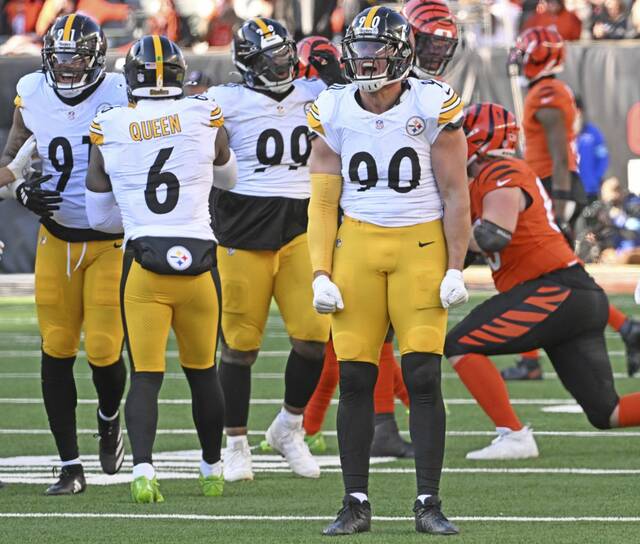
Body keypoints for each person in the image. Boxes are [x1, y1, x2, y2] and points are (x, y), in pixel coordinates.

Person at [307, 6, 469, 535]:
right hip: (356, 246)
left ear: (401, 52)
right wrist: (319, 270)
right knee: (355, 375)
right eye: (360, 50)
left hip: (420, 245)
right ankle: (354, 502)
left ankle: (429, 502)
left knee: (423, 375)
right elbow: (322, 201)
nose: (366, 60)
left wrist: (456, 266)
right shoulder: (332, 107)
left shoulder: (430, 102)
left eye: (377, 49)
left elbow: (454, 194)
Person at [85, 34, 235, 503]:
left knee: (146, 375)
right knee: (204, 372)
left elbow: (96, 216)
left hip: (144, 262)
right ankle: (212, 468)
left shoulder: (108, 124)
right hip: (200, 261)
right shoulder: (203, 112)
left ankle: (143, 471)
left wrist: (134, 216)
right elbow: (228, 178)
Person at [447, 102, 640, 461]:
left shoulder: (499, 170)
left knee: (460, 343)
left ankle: (514, 434)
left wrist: (453, 234)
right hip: (575, 294)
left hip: (554, 291)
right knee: (606, 413)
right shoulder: (495, 174)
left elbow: (492, 235)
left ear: (476, 138)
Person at [0, 13, 129, 495]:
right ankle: (70, 466)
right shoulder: (31, 92)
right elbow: (10, 167)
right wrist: (22, 194)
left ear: (96, 59)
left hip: (108, 241)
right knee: (56, 348)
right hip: (55, 238)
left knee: (102, 349)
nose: (68, 66)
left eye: (77, 57)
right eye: (60, 57)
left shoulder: (120, 92)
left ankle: (110, 415)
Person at [206, 17, 331, 483]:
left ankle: (289, 426)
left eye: (284, 55)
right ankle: (236, 441)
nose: (280, 66)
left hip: (300, 225)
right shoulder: (224, 100)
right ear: (247, 64)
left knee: (314, 337)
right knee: (240, 346)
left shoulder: (316, 92)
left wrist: (335, 76)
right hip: (242, 228)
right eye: (269, 59)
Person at [296, 34, 414, 459]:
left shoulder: (332, 94)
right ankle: (383, 420)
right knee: (361, 342)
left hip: (322, 214)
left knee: (342, 347)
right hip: (328, 219)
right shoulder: (334, 100)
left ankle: (301, 425)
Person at [502, 26, 640, 380]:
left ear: (542, 57)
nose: (521, 58)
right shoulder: (546, 90)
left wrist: (559, 208)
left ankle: (533, 360)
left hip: (552, 189)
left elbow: (561, 156)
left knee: (527, 273)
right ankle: (626, 329)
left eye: (527, 52)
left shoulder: (547, 92)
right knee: (557, 276)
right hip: (549, 188)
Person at [575, 96, 609, 203]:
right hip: (571, 192)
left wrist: (594, 179)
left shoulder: (593, 133)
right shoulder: (563, 135)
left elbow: (603, 158)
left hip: (591, 190)